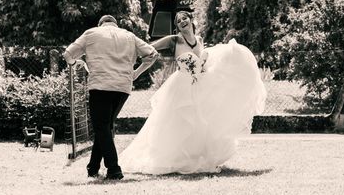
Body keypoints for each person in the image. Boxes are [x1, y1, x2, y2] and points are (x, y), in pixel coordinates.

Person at [119, 11, 267, 175]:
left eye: (185, 18)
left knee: (200, 123)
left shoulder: (200, 40)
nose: (182, 21)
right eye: (178, 20)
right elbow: (149, 49)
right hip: (180, 85)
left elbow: (203, 63)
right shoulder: (174, 40)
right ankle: (173, 158)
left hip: (200, 86)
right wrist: (136, 65)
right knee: (176, 123)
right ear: (177, 26)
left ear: (191, 21)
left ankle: (194, 157)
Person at [63, 14, 158, 180]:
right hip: (123, 87)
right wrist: (136, 73)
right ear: (115, 24)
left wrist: (76, 63)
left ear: (100, 24)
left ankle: (114, 169)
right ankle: (92, 168)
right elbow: (152, 54)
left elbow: (68, 54)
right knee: (105, 127)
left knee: (101, 127)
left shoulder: (91, 33)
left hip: (100, 84)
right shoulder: (129, 36)